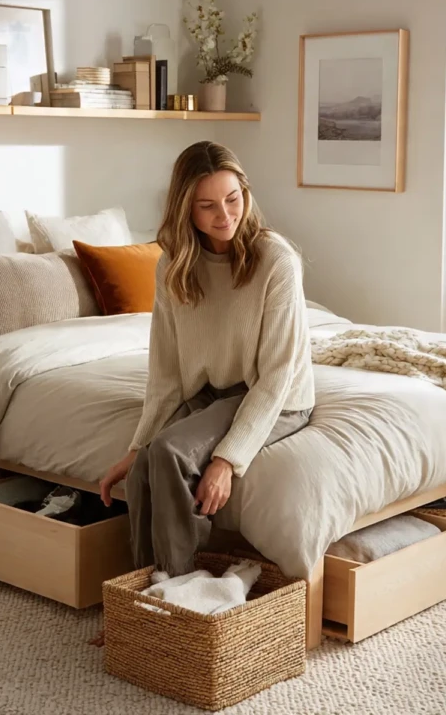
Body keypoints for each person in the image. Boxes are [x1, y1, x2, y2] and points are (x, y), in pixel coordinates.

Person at [99, 141, 315, 576]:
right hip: (213, 396)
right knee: (148, 463)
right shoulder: (173, 265)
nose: (225, 215)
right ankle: (145, 597)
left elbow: (276, 376)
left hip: (276, 400)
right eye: (208, 206)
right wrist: (137, 445)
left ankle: (179, 597)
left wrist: (227, 460)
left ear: (245, 195)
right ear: (186, 211)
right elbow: (165, 371)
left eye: (233, 199)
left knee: (171, 454)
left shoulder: (276, 261)